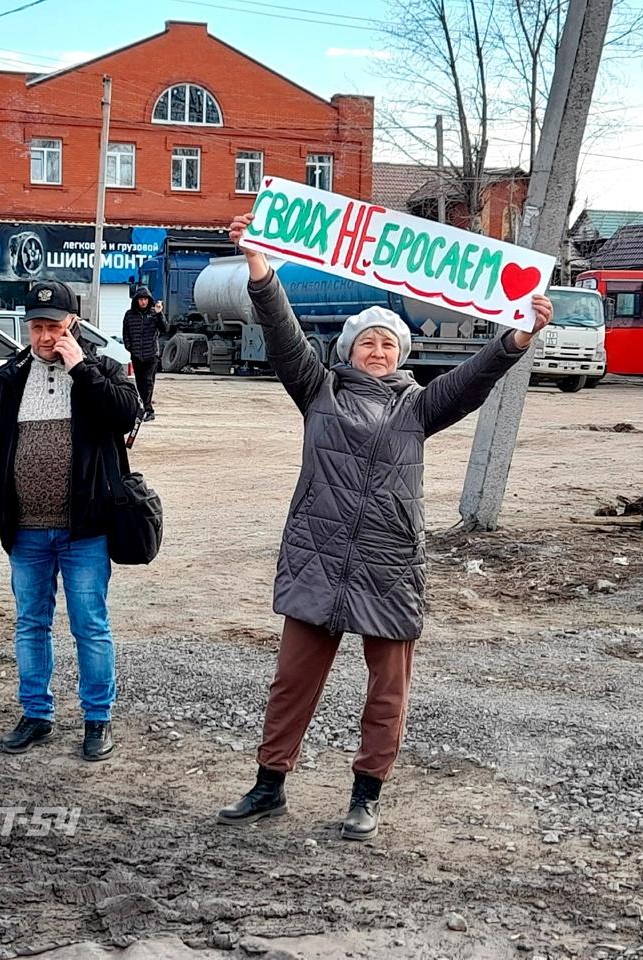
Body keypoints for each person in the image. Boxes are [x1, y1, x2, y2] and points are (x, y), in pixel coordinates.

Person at [216, 212, 554, 840]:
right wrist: (259, 267)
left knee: (387, 692)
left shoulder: (420, 405)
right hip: (318, 559)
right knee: (292, 681)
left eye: (389, 343)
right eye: (367, 341)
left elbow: (475, 380)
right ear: (347, 350)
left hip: (389, 565)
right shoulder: (317, 390)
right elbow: (283, 332)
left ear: (403, 354)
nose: (377, 350)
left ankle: (365, 795)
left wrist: (517, 337)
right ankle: (269, 786)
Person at [0, 280, 143, 761]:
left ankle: (97, 719)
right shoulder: (8, 377)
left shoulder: (101, 368)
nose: (45, 337)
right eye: (37, 327)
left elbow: (127, 414)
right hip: (25, 530)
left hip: (85, 530)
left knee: (90, 624)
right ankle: (36, 715)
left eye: (54, 327)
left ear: (74, 325)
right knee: (30, 623)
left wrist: (79, 368)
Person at [121, 286, 167, 421]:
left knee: (148, 382)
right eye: (141, 299)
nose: (143, 302)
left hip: (151, 355)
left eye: (145, 299)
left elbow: (164, 329)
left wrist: (159, 314)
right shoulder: (129, 315)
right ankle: (144, 408)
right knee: (140, 383)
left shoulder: (154, 314)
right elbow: (126, 334)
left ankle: (148, 409)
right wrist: (130, 347)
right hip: (136, 355)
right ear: (136, 300)